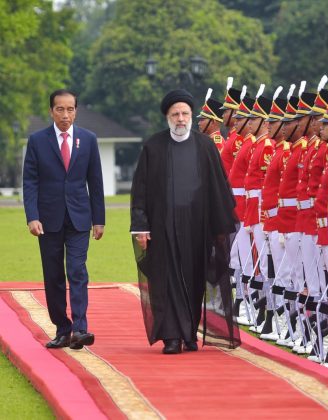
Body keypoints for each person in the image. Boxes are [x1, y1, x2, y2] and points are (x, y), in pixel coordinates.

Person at [130, 89, 240, 354]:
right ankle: (171, 336)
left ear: (191, 116)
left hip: (197, 226)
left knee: (193, 278)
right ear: (167, 117)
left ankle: (188, 332)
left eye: (185, 114)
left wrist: (220, 226)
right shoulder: (154, 146)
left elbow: (219, 187)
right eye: (175, 114)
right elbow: (140, 189)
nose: (180, 119)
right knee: (166, 279)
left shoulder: (205, 146)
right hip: (162, 226)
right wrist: (141, 226)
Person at [23, 89, 105, 350]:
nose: (65, 115)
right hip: (47, 220)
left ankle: (80, 329)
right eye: (60, 109)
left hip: (80, 217)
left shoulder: (88, 140)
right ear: (51, 111)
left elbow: (95, 181)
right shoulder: (37, 141)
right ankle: (62, 329)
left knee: (78, 271)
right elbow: (30, 182)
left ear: (76, 112)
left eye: (70, 109)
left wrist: (99, 219)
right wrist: (32, 217)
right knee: (54, 275)